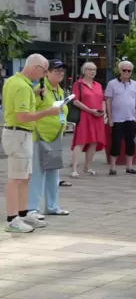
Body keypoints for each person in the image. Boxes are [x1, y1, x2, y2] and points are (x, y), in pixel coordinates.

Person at [2, 54, 61, 233]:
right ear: (36, 67)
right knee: (16, 178)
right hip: (18, 134)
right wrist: (48, 112)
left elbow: (21, 108)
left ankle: (22, 213)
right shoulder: (21, 86)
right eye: (44, 71)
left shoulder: (16, 82)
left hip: (21, 134)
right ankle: (13, 219)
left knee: (25, 177)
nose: (44, 75)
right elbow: (22, 116)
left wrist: (34, 95)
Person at [27, 59, 70, 221]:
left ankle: (52, 206)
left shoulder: (59, 90)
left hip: (55, 136)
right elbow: (30, 109)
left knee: (54, 171)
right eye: (56, 70)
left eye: (62, 71)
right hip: (40, 136)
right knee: (38, 172)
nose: (60, 73)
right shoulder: (41, 89)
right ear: (47, 72)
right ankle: (32, 208)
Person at [105, 60, 136, 176]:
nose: (126, 72)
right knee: (116, 142)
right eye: (124, 70)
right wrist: (110, 118)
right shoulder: (112, 84)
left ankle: (129, 167)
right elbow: (108, 101)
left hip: (131, 118)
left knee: (130, 142)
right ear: (119, 70)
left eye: (129, 70)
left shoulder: (134, 84)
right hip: (117, 119)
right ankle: (112, 168)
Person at [70, 62, 106, 177]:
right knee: (80, 141)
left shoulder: (98, 85)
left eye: (94, 70)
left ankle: (87, 167)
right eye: (90, 69)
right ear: (84, 71)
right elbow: (75, 101)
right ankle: (74, 168)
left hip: (97, 117)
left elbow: (103, 100)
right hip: (85, 116)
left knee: (94, 142)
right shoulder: (78, 84)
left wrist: (103, 111)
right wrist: (90, 110)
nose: (93, 72)